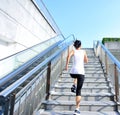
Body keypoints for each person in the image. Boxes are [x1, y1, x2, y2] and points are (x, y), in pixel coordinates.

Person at [66, 40, 88, 115]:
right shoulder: (84, 52)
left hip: (72, 73)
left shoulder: (73, 51)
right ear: (80, 46)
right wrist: (84, 59)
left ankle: (73, 85)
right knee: (78, 91)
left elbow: (68, 56)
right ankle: (77, 109)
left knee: (76, 76)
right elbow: (86, 61)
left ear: (75, 46)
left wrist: (66, 66)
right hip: (81, 73)